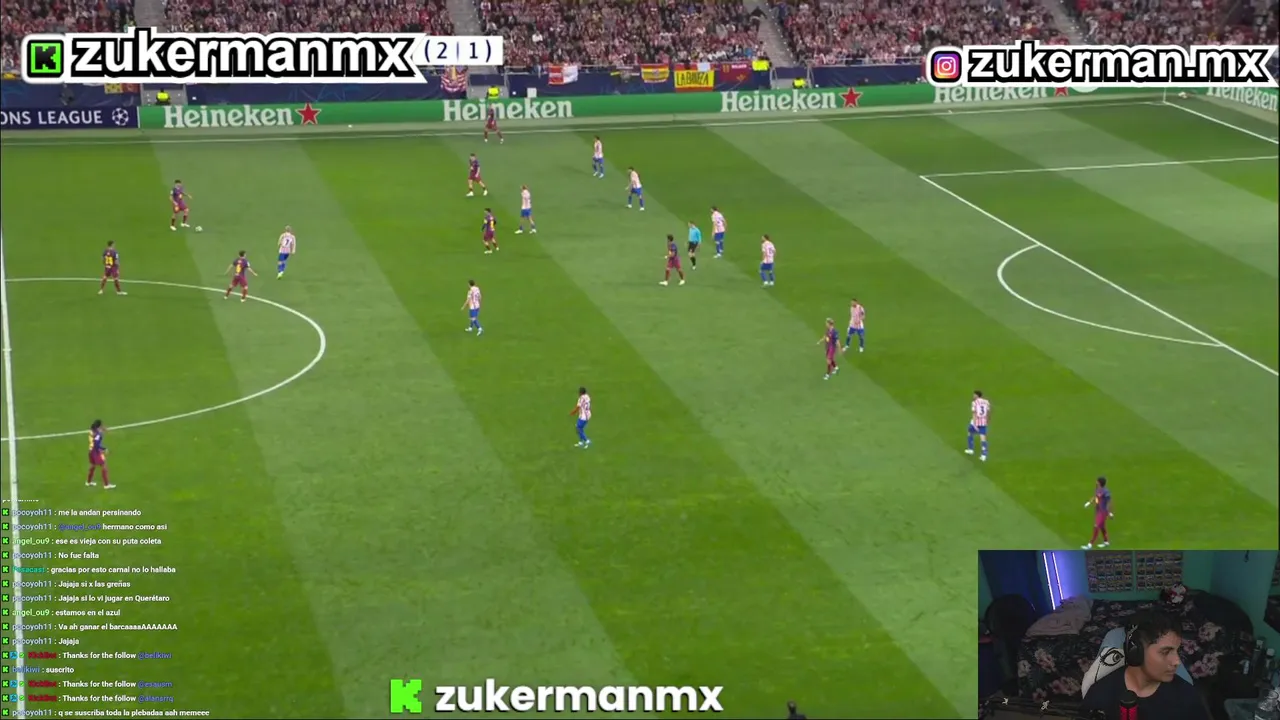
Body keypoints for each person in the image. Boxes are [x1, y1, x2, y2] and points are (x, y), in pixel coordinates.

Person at [1080, 612, 1209, 720]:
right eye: (1165, 652)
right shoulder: (1100, 696)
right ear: (1135, 652)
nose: (1177, 661)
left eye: (1177, 651)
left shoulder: (1187, 695)